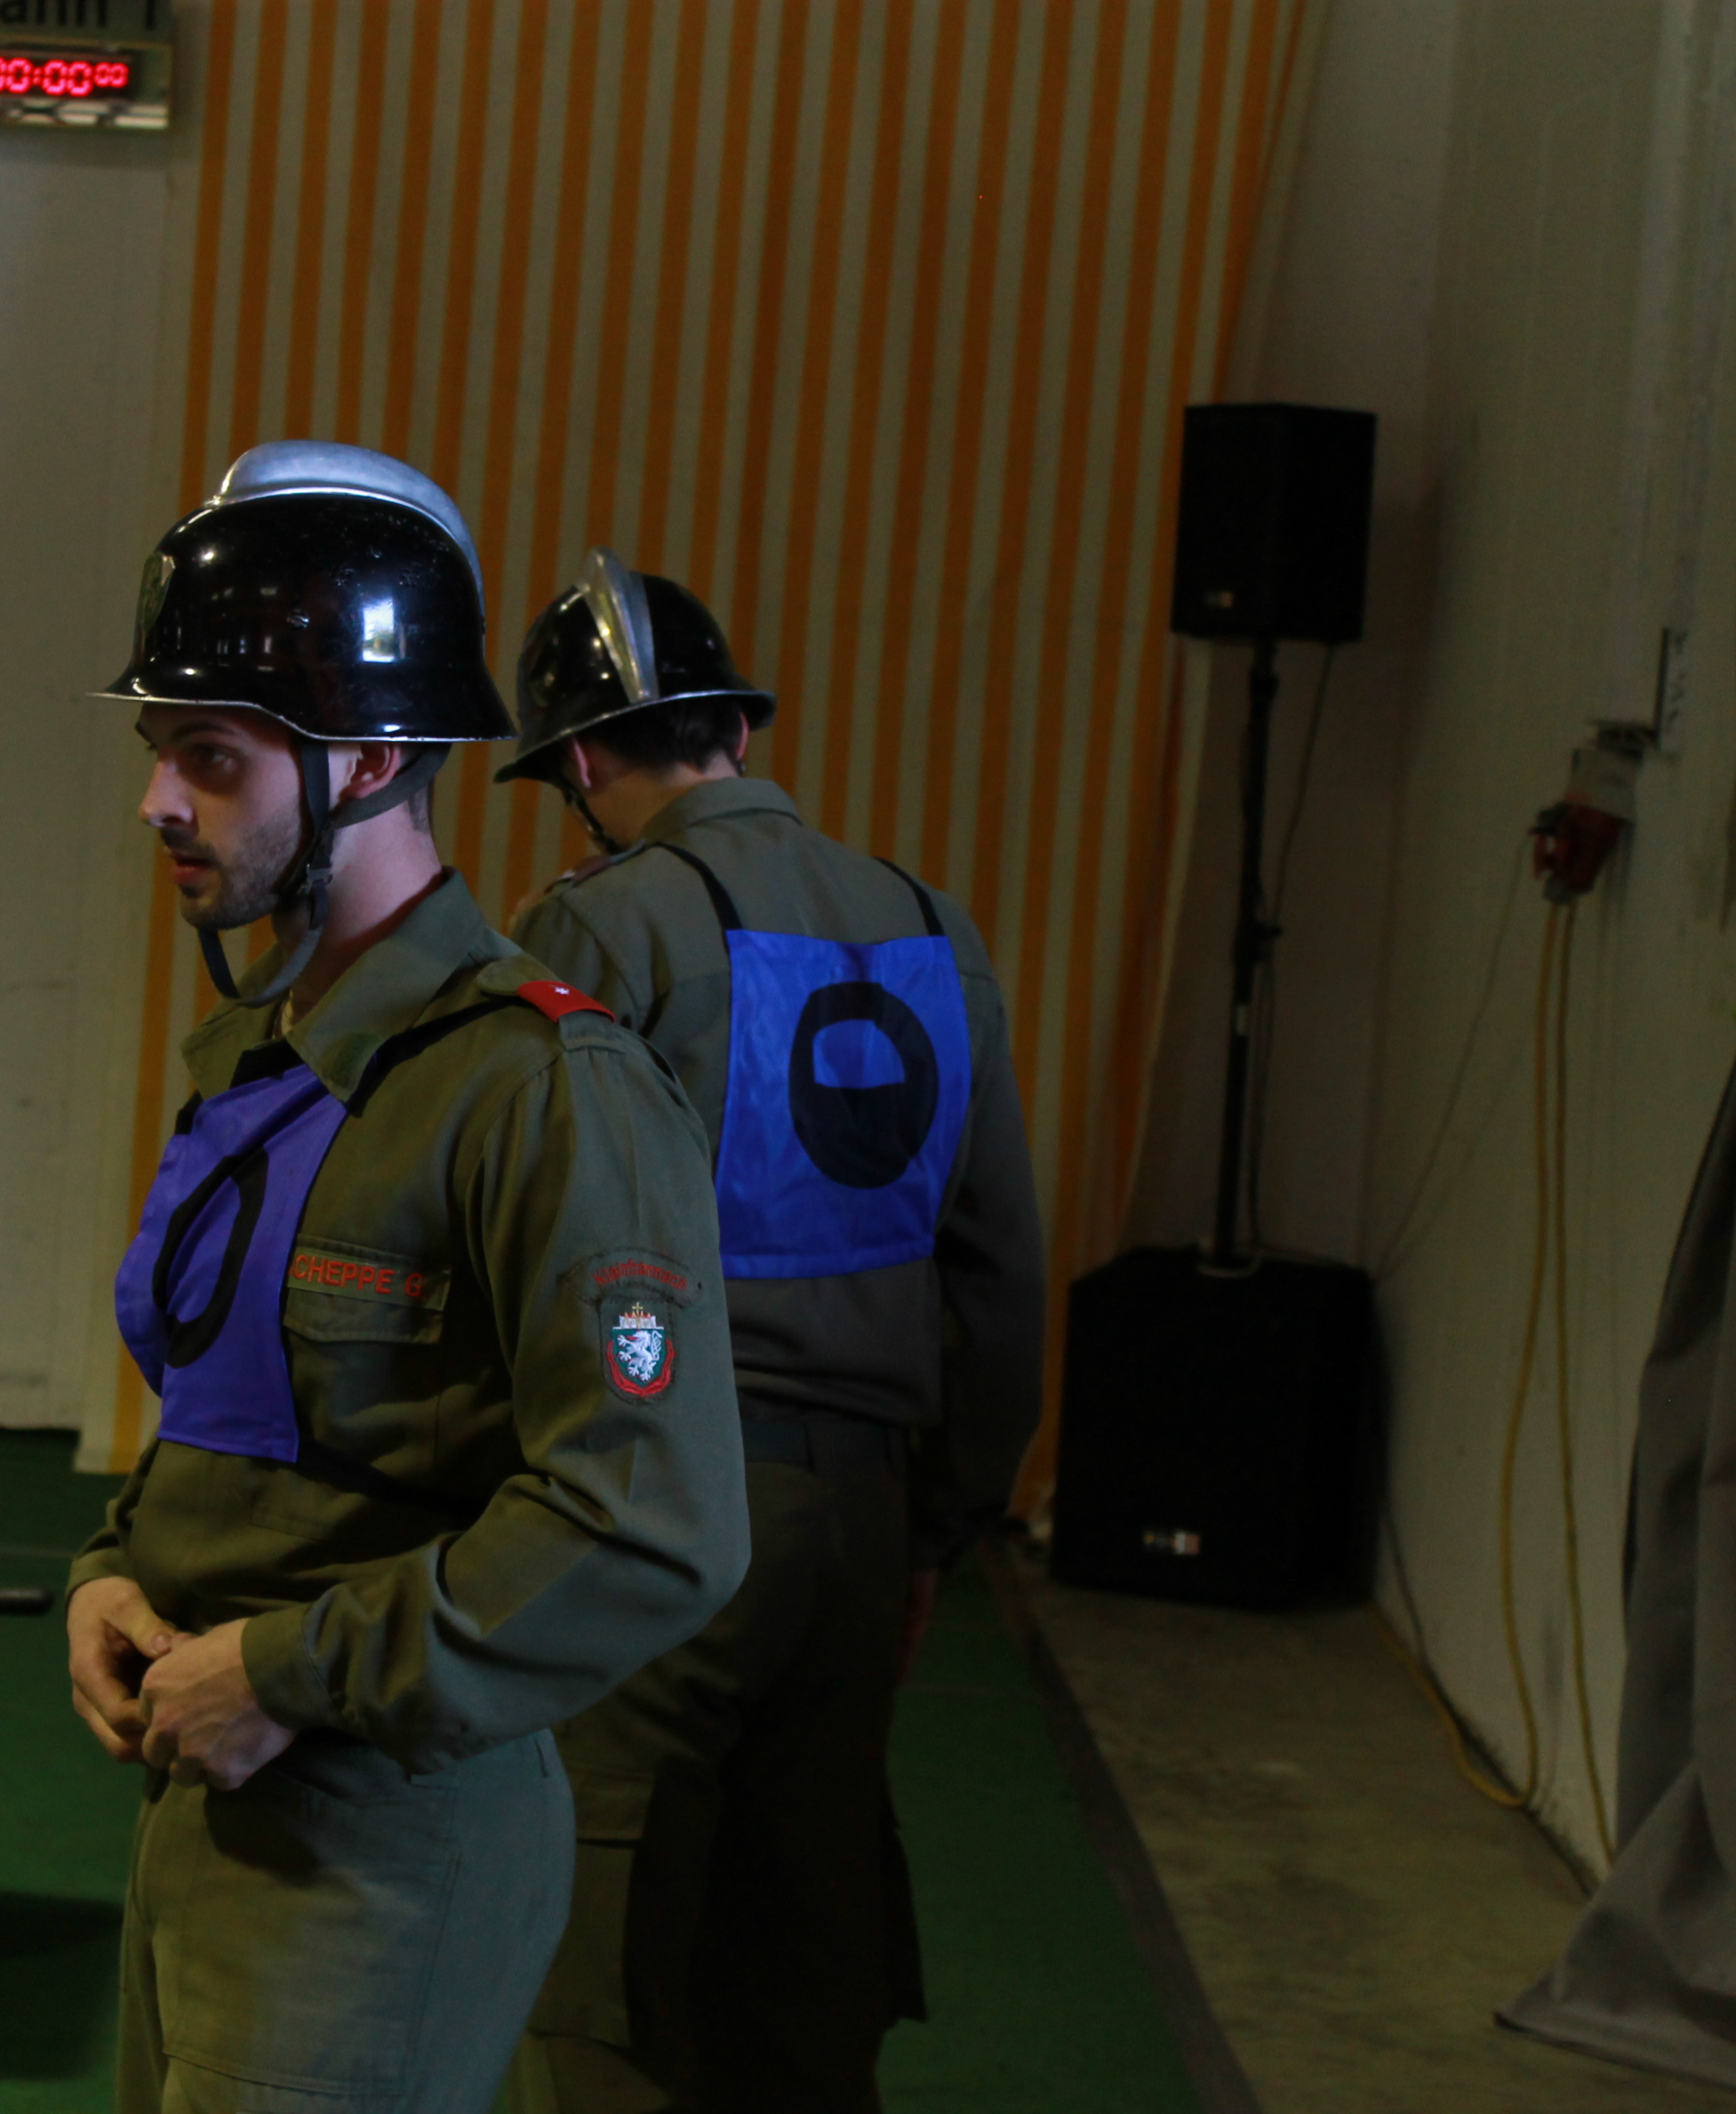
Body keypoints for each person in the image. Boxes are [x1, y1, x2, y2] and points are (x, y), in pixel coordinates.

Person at [63, 445, 751, 2114]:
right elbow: (244, 1417)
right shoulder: (270, 1054)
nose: (160, 804)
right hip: (203, 1808)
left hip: (377, 1837)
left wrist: (290, 1670)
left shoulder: (542, 1087)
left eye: (213, 757)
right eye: (162, 753)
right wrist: (110, 1572)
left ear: (371, 759)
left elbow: (651, 1518)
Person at [497, 552, 1046, 2113]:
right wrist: (937, 1529)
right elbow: (1001, 1275)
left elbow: (535, 1240)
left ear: (582, 766)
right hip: (864, 1526)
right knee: (805, 1965)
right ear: (734, 728)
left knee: (604, 1979)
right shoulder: (933, 925)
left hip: (668, 1507)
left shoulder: (600, 926)